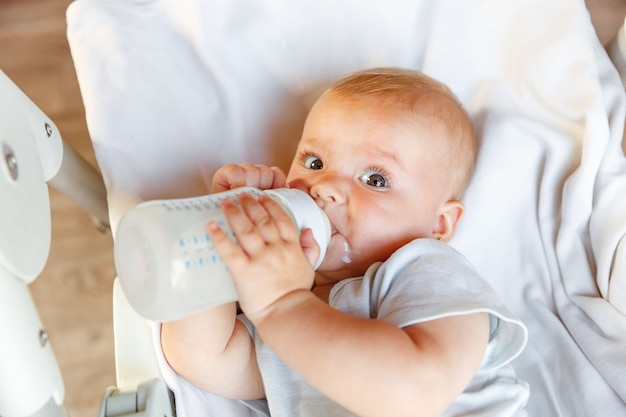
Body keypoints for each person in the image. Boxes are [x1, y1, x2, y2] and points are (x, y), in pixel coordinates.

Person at [161, 67, 529, 417]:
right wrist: (219, 230)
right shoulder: (292, 302)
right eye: (315, 162)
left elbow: (415, 393)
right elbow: (202, 360)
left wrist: (284, 306)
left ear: (440, 224)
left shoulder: (426, 270)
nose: (324, 188)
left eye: (375, 179)